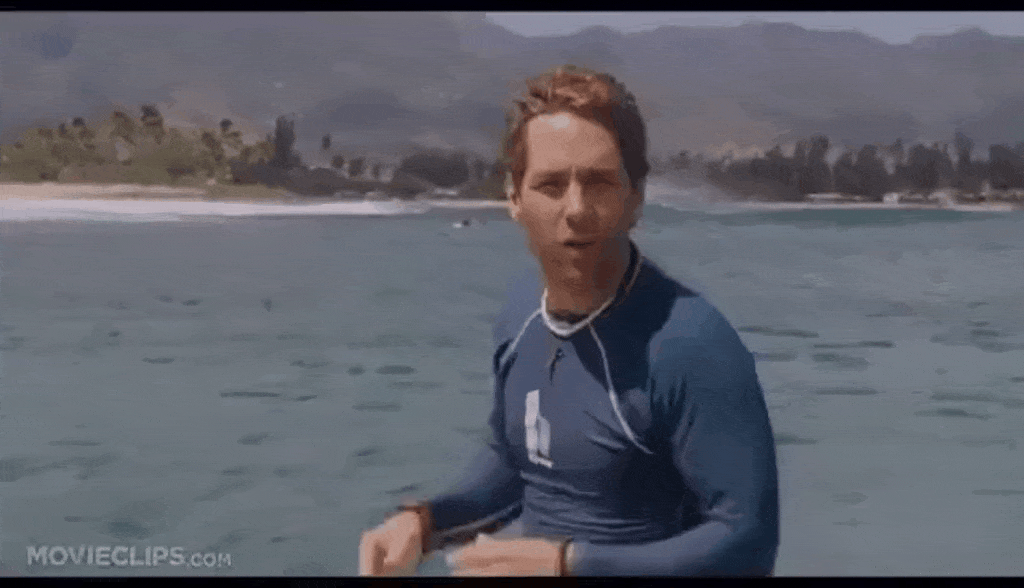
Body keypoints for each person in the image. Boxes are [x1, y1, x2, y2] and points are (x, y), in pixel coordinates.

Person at [359, 65, 779, 577]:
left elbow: (748, 544)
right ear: (515, 199)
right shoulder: (521, 318)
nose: (576, 208)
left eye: (598, 183)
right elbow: (518, 462)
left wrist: (568, 566)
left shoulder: (690, 345)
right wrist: (424, 523)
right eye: (551, 185)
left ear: (635, 197)